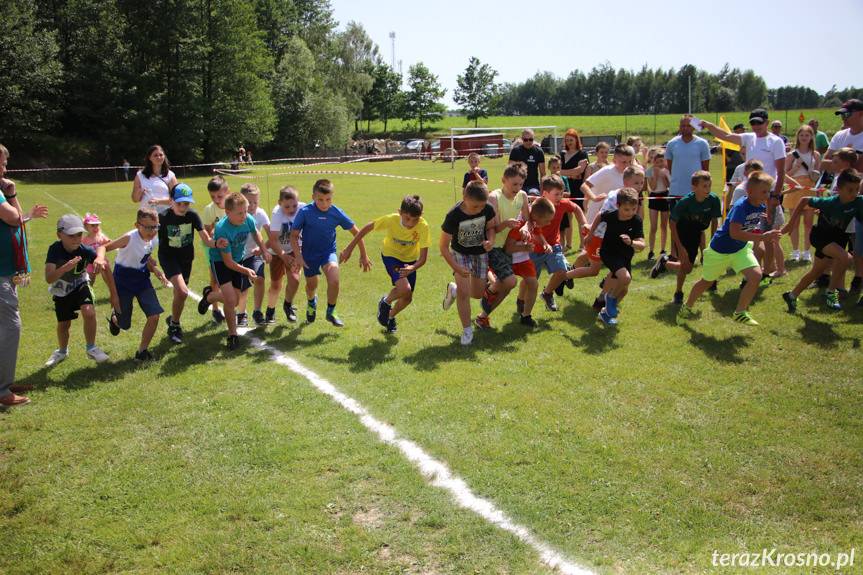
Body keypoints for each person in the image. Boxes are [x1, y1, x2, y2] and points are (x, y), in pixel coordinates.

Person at [677, 171, 779, 326]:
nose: (767, 195)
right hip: (720, 250)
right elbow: (734, 233)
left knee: (756, 276)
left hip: (740, 249)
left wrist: (765, 232)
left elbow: (751, 227)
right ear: (750, 192)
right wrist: (761, 238)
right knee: (707, 282)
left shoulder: (761, 206)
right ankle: (687, 306)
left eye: (768, 191)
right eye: (764, 192)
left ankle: (740, 312)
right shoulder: (740, 207)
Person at [701, 109, 786, 277]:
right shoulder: (749, 138)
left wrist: (775, 196)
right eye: (753, 123)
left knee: (770, 236)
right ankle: (760, 268)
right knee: (757, 234)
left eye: (759, 123)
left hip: (768, 195)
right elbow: (726, 136)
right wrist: (709, 125)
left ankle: (771, 269)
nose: (756, 126)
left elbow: (781, 172)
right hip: (752, 195)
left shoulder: (776, 142)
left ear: (767, 123)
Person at [0, 144, 48, 407]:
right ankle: (2, 392)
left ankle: (4, 382)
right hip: (0, 273)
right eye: (2, 164)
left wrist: (9, 193)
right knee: (10, 326)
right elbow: (13, 218)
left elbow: (16, 218)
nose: (5, 169)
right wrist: (13, 194)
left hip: (7, 270)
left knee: (4, 327)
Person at [342, 195, 430, 333]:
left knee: (407, 298)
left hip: (411, 261)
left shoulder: (423, 226)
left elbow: (423, 258)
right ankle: (386, 302)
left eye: (415, 219)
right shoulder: (391, 219)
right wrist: (349, 248)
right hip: (391, 256)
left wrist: (412, 267)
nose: (411, 223)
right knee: (404, 289)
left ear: (421, 216)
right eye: (407, 218)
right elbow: (367, 227)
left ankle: (389, 317)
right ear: (399, 212)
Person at [291, 179, 370, 327]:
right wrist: (299, 256)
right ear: (313, 196)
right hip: (309, 255)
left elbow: (357, 232)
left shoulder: (336, 212)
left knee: (334, 279)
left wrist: (363, 255)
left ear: (332, 198)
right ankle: (311, 302)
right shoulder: (305, 212)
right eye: (320, 199)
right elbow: (294, 236)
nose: (324, 203)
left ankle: (331, 312)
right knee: (311, 285)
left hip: (328, 252)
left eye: (328, 200)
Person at [781, 169, 863, 312]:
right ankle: (831, 292)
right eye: (850, 190)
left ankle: (792, 295)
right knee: (846, 258)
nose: (854, 193)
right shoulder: (830, 202)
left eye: (857, 189)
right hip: (821, 237)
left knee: (816, 271)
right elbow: (804, 200)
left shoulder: (858, 202)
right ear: (839, 188)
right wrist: (790, 223)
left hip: (838, 239)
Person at [198, 192, 270, 350]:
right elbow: (228, 263)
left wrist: (264, 249)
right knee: (231, 301)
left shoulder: (247, 219)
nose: (244, 215)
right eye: (240, 213)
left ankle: (210, 296)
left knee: (236, 301)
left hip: (237, 261)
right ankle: (232, 335)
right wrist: (247, 271)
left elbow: (256, 233)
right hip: (221, 263)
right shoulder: (222, 229)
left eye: (245, 211)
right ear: (227, 212)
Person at [43, 214, 112, 367]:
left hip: (81, 284)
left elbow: (100, 252)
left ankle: (91, 348)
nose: (76, 239)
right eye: (71, 235)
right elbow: (49, 278)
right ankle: (62, 351)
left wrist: (99, 259)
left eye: (79, 234)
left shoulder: (84, 249)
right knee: (64, 324)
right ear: (59, 235)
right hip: (62, 290)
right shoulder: (54, 250)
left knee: (89, 311)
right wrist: (65, 268)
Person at [101, 208, 168, 361]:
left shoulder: (153, 238)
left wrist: (155, 269)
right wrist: (99, 258)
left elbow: (144, 257)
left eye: (155, 226)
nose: (152, 231)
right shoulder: (129, 238)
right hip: (122, 281)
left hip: (142, 280)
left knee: (154, 315)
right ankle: (115, 319)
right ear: (137, 225)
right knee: (124, 324)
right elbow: (104, 247)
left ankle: (142, 352)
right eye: (148, 227)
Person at [158, 183, 221, 344]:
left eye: (186, 203)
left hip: (186, 259)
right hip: (168, 258)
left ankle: (173, 318)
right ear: (171, 201)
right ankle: (175, 326)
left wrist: (216, 243)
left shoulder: (192, 216)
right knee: (182, 291)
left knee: (179, 294)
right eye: (179, 203)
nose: (183, 206)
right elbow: (150, 237)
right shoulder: (163, 217)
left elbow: (205, 238)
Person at [651, 171, 722, 305]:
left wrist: (713, 241)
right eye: (704, 186)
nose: (708, 189)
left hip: (697, 231)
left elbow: (714, 221)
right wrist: (680, 248)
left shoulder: (714, 200)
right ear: (694, 188)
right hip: (683, 232)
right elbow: (672, 224)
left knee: (698, 262)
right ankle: (678, 292)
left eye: (709, 186)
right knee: (686, 267)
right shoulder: (685, 202)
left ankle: (665, 262)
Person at [440, 180, 496, 346]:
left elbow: (491, 227)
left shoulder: (487, 208)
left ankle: (454, 290)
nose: (478, 210)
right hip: (460, 254)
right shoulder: (453, 215)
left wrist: (490, 241)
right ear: (464, 197)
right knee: (465, 294)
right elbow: (443, 246)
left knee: (477, 294)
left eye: (481, 207)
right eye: (474, 207)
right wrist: (456, 267)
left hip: (480, 254)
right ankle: (467, 330)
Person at [478, 164, 531, 327]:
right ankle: (488, 291)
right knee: (510, 282)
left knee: (506, 287)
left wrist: (525, 228)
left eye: (521, 184)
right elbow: (491, 228)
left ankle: (483, 317)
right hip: (492, 246)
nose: (518, 187)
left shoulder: (522, 196)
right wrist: (506, 223)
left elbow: (528, 220)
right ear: (503, 180)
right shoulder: (494, 197)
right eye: (514, 184)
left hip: (507, 247)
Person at [585, 187, 644, 326]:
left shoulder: (636, 221)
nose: (630, 213)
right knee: (625, 278)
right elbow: (600, 215)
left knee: (623, 290)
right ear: (618, 206)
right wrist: (590, 234)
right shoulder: (611, 215)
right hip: (608, 253)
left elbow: (642, 245)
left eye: (634, 209)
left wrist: (631, 242)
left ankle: (605, 313)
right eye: (626, 209)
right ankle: (609, 298)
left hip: (625, 257)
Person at [533, 175, 587, 312]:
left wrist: (584, 224)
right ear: (545, 194)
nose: (560, 197)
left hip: (554, 245)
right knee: (531, 281)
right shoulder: (536, 206)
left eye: (561, 193)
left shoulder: (563, 203)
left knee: (561, 272)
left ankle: (547, 293)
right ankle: (522, 302)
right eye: (556, 194)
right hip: (534, 248)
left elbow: (577, 209)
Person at [504, 198, 555, 327]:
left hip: (524, 260)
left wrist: (545, 244)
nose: (549, 223)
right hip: (509, 260)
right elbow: (508, 249)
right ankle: (485, 310)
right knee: (499, 288)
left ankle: (526, 316)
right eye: (547, 220)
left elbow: (537, 233)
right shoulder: (519, 225)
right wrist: (524, 248)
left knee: (533, 284)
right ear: (536, 216)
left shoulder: (533, 222)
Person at [265, 186, 305, 324]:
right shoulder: (277, 214)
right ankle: (270, 309)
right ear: (279, 203)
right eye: (287, 206)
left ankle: (287, 305)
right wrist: (283, 256)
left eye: (294, 205)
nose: (291, 209)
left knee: (295, 280)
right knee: (276, 285)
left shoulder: (303, 209)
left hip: (294, 249)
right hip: (277, 252)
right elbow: (273, 240)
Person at [784, 125, 822, 262]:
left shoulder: (815, 155)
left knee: (808, 224)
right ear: (798, 137)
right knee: (794, 223)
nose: (804, 138)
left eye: (807, 135)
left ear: (811, 137)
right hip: (795, 188)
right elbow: (784, 175)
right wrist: (795, 167)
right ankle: (795, 251)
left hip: (809, 188)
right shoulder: (791, 154)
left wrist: (815, 176)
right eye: (802, 135)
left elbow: (818, 176)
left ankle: (806, 251)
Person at [236, 183, 271, 327]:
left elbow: (272, 235)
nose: (252, 205)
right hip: (238, 257)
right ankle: (241, 313)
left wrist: (263, 249)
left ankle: (257, 311)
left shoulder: (261, 214)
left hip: (253, 254)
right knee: (243, 288)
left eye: (255, 202)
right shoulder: (236, 215)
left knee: (260, 278)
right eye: (249, 202)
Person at [665, 115, 711, 211]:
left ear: (693, 127)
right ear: (679, 127)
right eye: (683, 125)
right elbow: (670, 167)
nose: (685, 128)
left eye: (688, 125)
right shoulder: (671, 144)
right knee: (676, 222)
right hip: (676, 191)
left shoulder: (702, 143)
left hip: (696, 191)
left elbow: (705, 169)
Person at [202, 176, 228, 323]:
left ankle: (230, 306)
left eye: (219, 196)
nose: (216, 199)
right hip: (213, 249)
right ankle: (216, 309)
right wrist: (212, 235)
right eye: (213, 196)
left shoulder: (232, 205)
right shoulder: (209, 209)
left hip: (231, 249)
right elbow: (206, 231)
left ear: (227, 191)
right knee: (215, 279)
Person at [131, 145, 178, 214]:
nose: (159, 157)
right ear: (149, 158)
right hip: (146, 217)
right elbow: (135, 199)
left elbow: (177, 199)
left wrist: (158, 201)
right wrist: (140, 192)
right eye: (155, 155)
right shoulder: (140, 175)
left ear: (164, 156)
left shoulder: (170, 175)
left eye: (161, 155)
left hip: (165, 216)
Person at [646, 151, 671, 259]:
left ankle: (662, 249)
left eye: (662, 161)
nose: (660, 163)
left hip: (665, 196)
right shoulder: (649, 171)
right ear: (653, 162)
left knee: (664, 225)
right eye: (657, 161)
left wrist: (664, 176)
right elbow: (653, 187)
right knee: (653, 226)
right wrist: (656, 175)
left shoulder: (666, 170)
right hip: (654, 197)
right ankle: (651, 251)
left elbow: (669, 186)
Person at [508, 128, 546, 195]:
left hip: (533, 186)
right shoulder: (515, 151)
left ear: (533, 139)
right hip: (518, 185)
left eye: (531, 139)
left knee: (533, 194)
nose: (528, 142)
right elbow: (509, 171)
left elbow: (543, 174)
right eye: (526, 140)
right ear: (522, 139)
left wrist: (542, 190)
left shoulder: (539, 152)